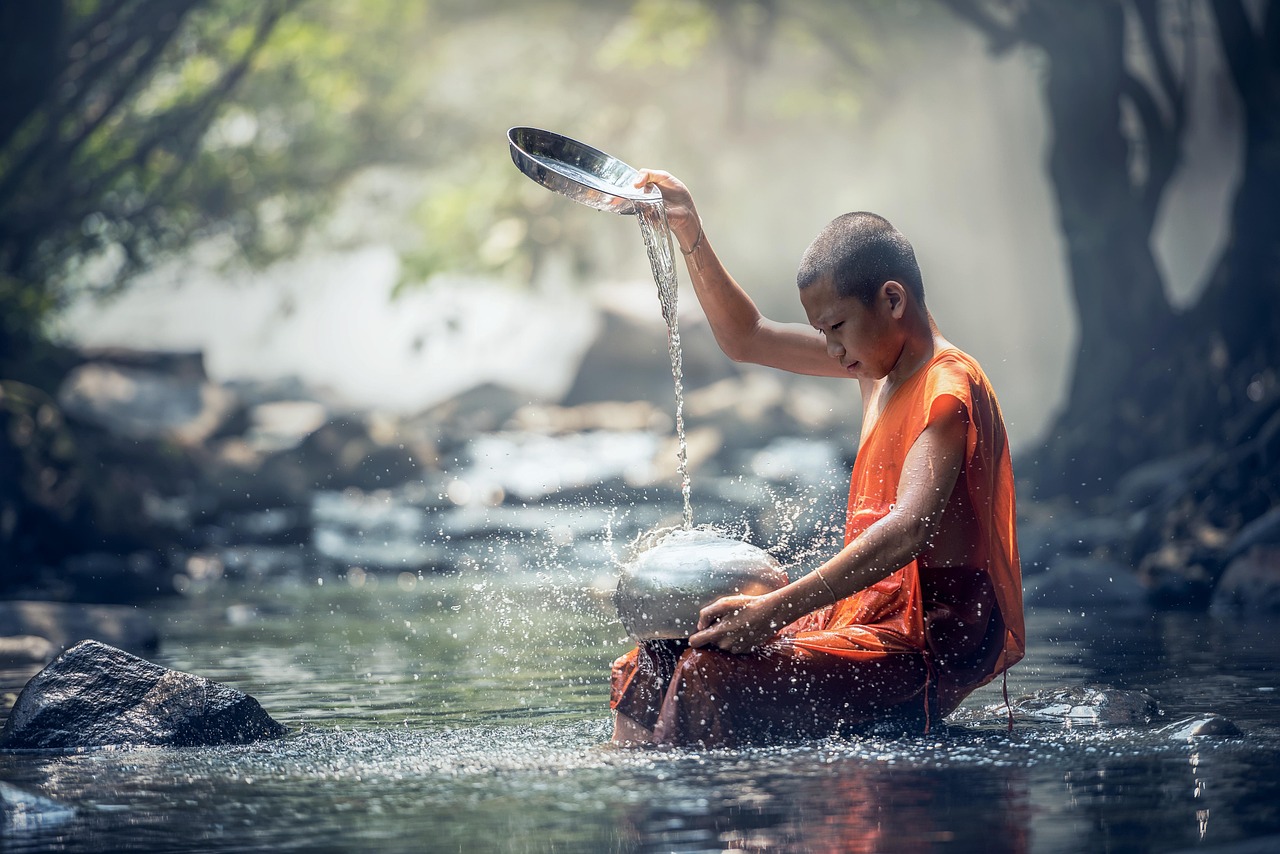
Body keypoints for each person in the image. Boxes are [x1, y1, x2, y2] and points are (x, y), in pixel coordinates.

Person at [610, 170, 1025, 748]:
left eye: (835, 328)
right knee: (657, 654)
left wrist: (775, 611)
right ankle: (630, 794)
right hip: (863, 616)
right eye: (820, 332)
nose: (832, 351)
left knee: (706, 673)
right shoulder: (875, 363)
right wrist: (689, 231)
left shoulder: (945, 386)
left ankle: (721, 826)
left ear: (892, 300)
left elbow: (909, 529)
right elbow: (747, 337)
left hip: (925, 643)